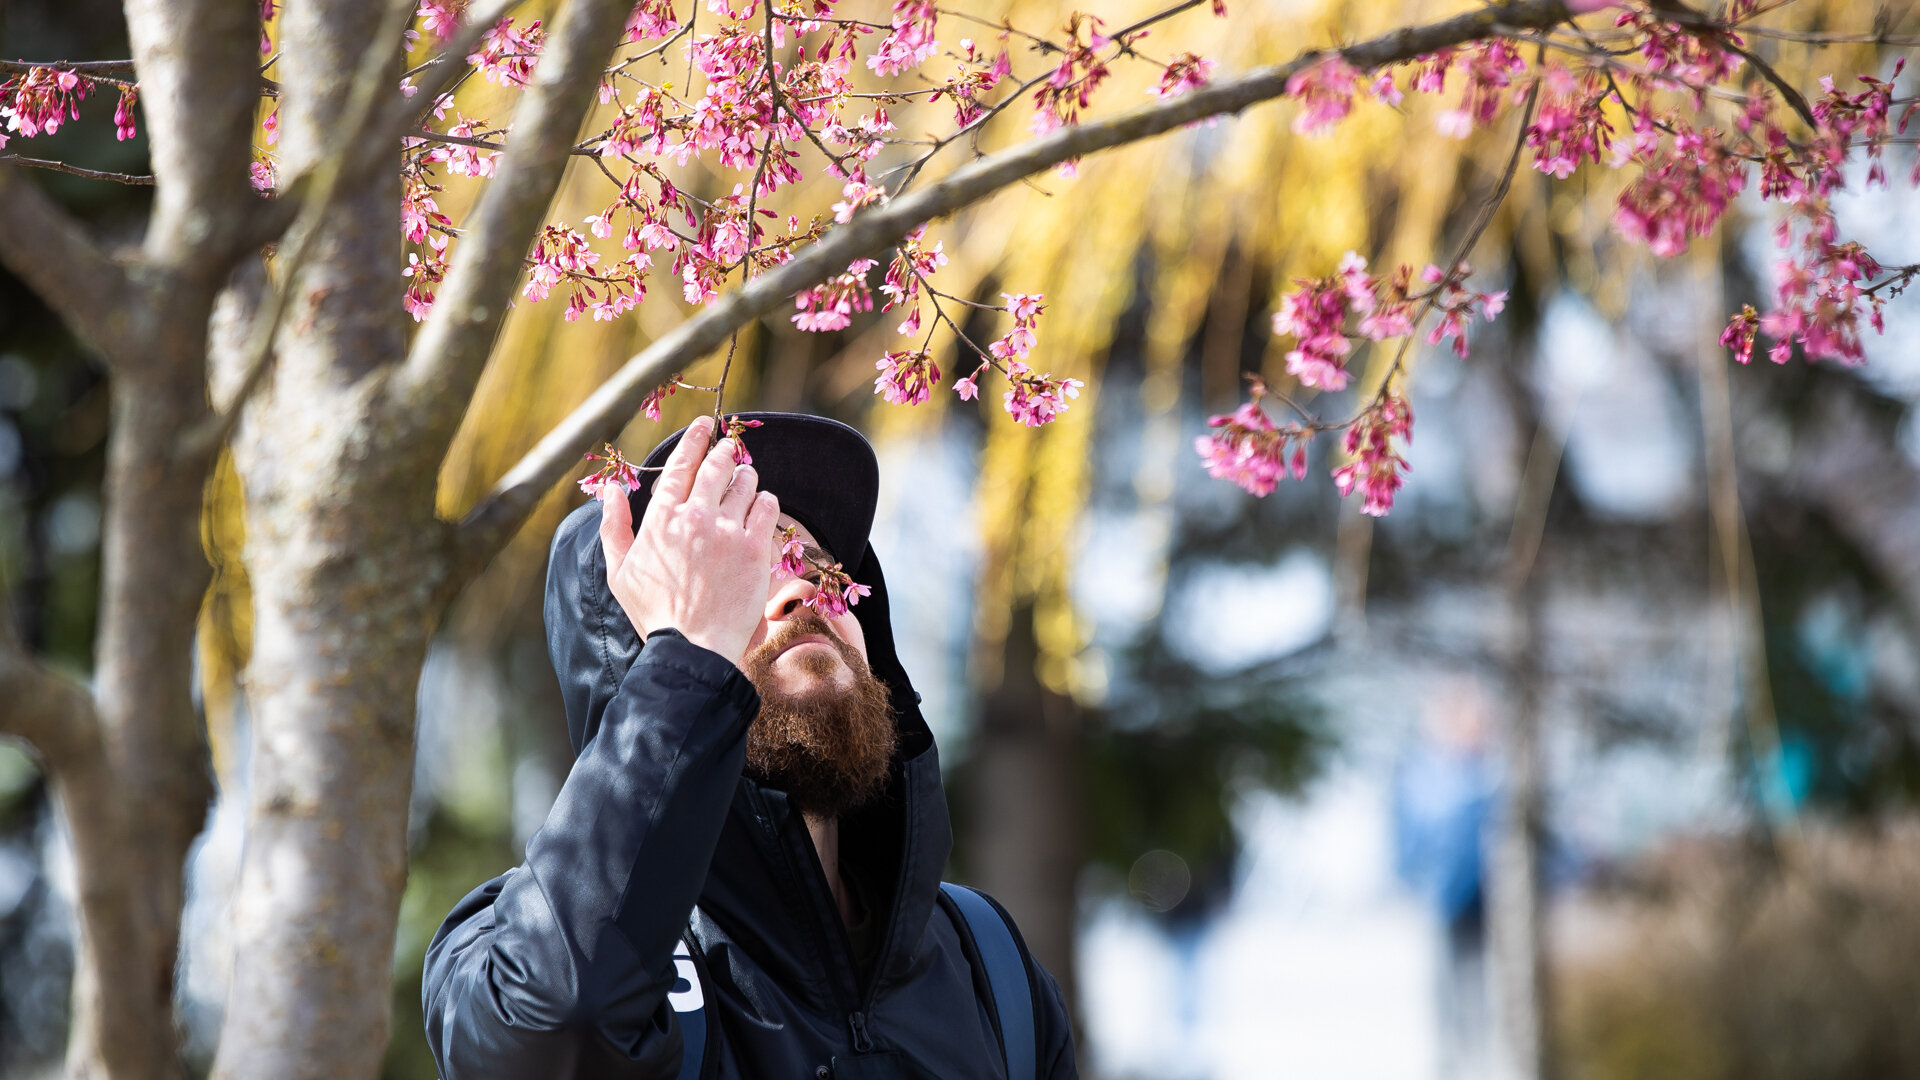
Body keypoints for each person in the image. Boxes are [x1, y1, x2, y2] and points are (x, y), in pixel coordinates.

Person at [422, 412, 1078, 1079]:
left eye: (821, 571)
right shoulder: (506, 943)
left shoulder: (992, 970)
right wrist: (693, 662)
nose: (800, 589)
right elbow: (550, 1033)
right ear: (630, 662)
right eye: (733, 572)